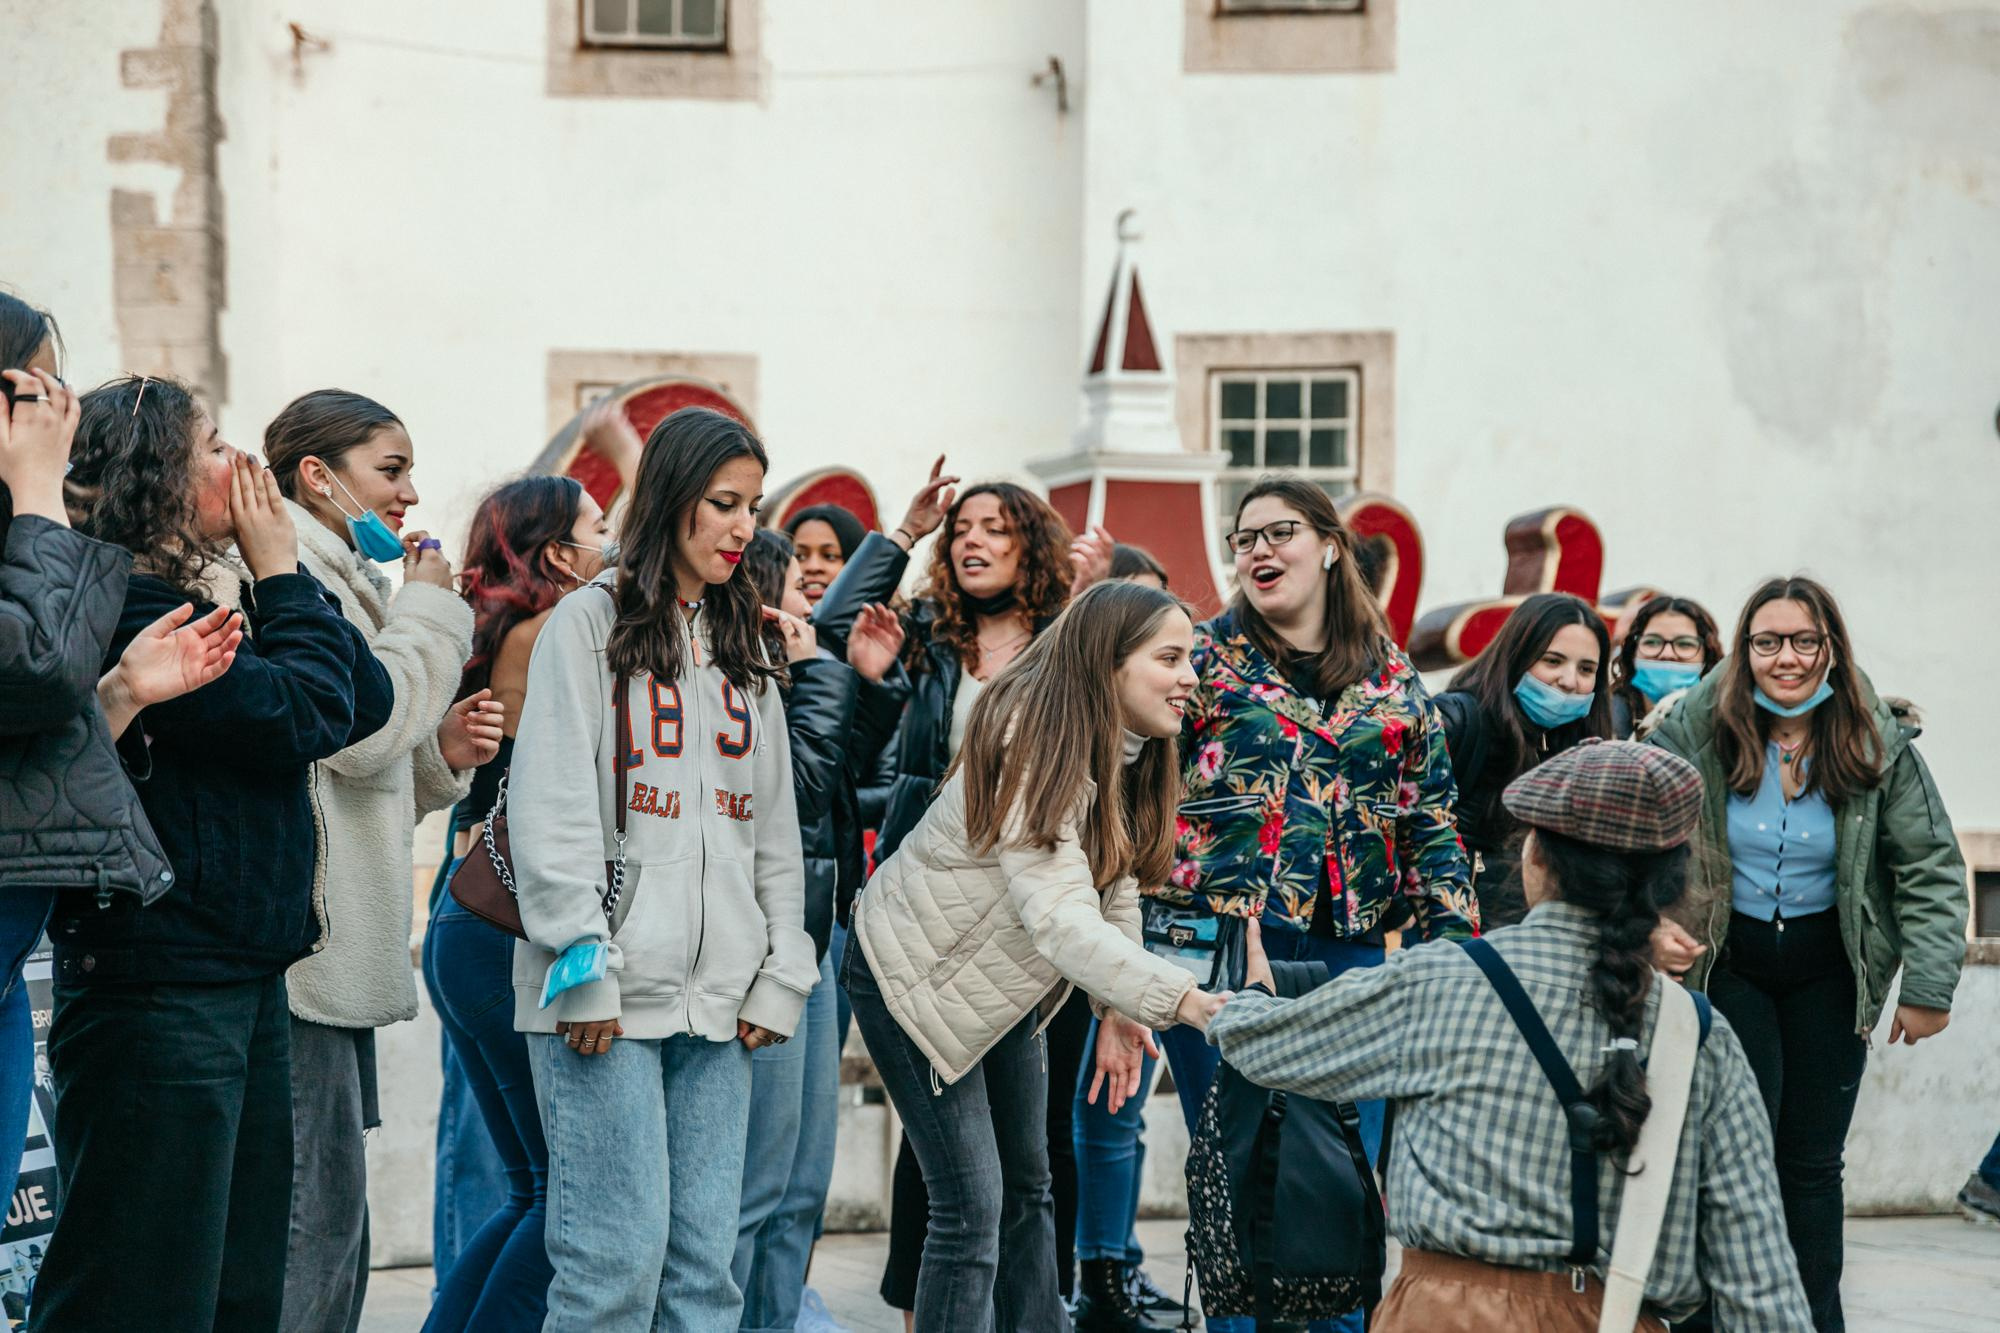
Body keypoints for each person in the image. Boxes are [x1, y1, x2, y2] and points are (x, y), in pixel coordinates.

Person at [1207, 740, 1815, 1331]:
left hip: (1444, 1316)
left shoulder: (1441, 981)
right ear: (1670, 882)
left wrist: (1252, 997)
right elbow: (1756, 1270)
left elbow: (1266, 1046)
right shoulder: (1701, 1033)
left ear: (1535, 858)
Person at [36, 375, 393, 1331]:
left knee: (238, 1284)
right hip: (158, 987)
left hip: (237, 976)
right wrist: (278, 571)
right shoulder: (122, 609)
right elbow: (308, 713)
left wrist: (284, 577)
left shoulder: (207, 594)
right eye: (210, 446)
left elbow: (366, 697)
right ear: (153, 477)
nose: (239, 465)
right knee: (140, 1287)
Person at [846, 579, 1231, 1333]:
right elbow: (1058, 914)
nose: (1191, 676)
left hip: (1003, 978)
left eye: (1191, 659)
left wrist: (1118, 1006)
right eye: (1171, 657)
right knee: (970, 1206)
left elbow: (1110, 886)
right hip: (913, 974)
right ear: (1108, 660)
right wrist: (1182, 1000)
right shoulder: (1033, 736)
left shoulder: (1124, 746)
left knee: (1030, 1185)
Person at [1139, 476, 1476, 1333]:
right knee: (1243, 1173)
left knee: (1336, 1183)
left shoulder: (1395, 674)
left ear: (1331, 546)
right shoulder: (1199, 658)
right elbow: (1135, 791)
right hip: (1218, 945)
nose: (1256, 550)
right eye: (1241, 537)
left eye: (1278, 532)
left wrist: (1456, 958)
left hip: (1351, 954)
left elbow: (1431, 818)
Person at [508, 407, 817, 1333]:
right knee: (613, 1270)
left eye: (752, 506)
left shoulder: (744, 646)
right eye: (724, 503)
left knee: (702, 1276)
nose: (743, 527)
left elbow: (774, 832)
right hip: (601, 998)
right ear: (672, 497)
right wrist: (581, 964)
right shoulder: (585, 623)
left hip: (721, 1007)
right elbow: (552, 805)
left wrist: (783, 972)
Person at [810, 462, 1114, 1319]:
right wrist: (900, 536)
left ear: (1035, 546)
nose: (974, 539)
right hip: (929, 922)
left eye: (997, 527)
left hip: (1036, 927)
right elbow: (829, 632)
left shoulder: (1067, 643)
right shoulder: (927, 637)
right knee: (946, 1166)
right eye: (963, 528)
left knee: (1033, 1166)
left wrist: (1095, 597)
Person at [1648, 575, 1967, 1331]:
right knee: (1732, 1153)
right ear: (1743, 647)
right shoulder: (1697, 729)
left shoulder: (1873, 738)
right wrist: (1650, 925)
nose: (1784, 658)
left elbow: (1929, 863)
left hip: (1831, 969)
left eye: (1803, 641)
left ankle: (1812, 1320)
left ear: (1830, 646)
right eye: (1767, 641)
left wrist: (1928, 986)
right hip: (1727, 963)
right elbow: (1635, 838)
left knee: (1812, 1165)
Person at [258, 388, 503, 1331]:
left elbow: (362, 775)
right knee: (310, 1226)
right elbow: (359, 736)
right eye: (390, 469)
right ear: (318, 476)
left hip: (331, 944)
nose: (409, 494)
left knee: (334, 1221)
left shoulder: (337, 572)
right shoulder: (296, 577)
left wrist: (439, 754)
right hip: (306, 955)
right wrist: (434, 611)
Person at [0, 316, 240, 1225]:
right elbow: (30, 668)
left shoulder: (26, 539)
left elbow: (27, 731)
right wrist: (33, 494)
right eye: (38, 386)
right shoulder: (34, 524)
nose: (60, 412)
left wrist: (119, 698)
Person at [426, 401, 636, 1288]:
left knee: (527, 1188)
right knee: (563, 1191)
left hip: (468, 889)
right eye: (598, 534)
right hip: (510, 906)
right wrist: (631, 451)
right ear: (559, 556)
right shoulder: (560, 628)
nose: (613, 549)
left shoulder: (497, 629)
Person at [731, 527, 906, 1333]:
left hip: (813, 940)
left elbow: (835, 780)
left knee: (802, 1186)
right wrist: (824, 675)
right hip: (762, 953)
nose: (814, 604)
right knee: (755, 1188)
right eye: (800, 587)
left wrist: (858, 683)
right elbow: (795, 794)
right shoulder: (742, 687)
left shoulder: (799, 678)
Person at [1434, 591, 1612, 927]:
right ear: (1516, 656)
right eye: (1553, 661)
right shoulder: (1457, 720)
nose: (1570, 681)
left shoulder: (1581, 745)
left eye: (1586, 669)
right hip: (1449, 934)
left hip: (1526, 935)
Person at [1611, 595, 1723, 739]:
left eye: (1684, 644)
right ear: (1632, 652)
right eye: (1652, 642)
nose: (1667, 654)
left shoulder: (1725, 723)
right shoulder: (1602, 716)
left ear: (1707, 656)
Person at [784, 502, 867, 606]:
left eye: (829, 556)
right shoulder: (760, 620)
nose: (813, 567)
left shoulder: (884, 621)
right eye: (800, 556)